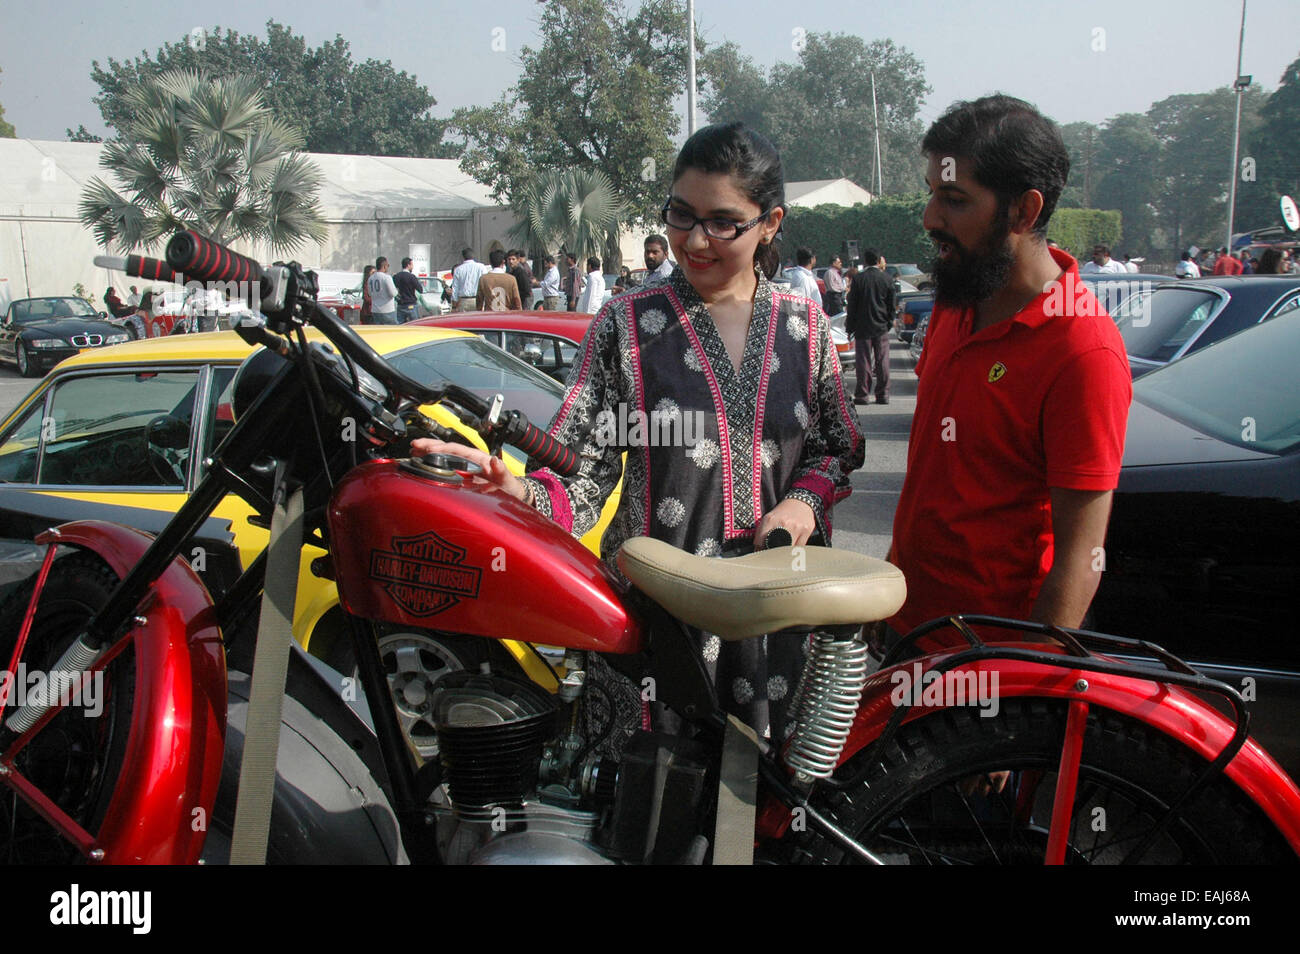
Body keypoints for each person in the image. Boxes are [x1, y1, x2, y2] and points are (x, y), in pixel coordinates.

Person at [413, 122, 863, 741]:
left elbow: (837, 446)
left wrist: (803, 498)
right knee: (651, 815)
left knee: (766, 813)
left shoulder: (805, 326)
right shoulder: (627, 325)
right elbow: (584, 468)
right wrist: (514, 491)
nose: (696, 240)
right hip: (657, 620)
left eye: (723, 222)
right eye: (682, 215)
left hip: (774, 615)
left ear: (772, 222)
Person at [887, 94, 1131, 646]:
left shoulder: (1083, 350)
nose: (930, 218)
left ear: (1023, 211)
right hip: (908, 631)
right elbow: (935, 478)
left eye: (953, 199)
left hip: (988, 665)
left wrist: (1020, 689)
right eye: (931, 195)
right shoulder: (956, 301)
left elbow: (1080, 558)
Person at [846, 248, 895, 404]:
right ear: (878, 260)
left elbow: (852, 305)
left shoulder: (859, 279)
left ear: (865, 261)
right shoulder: (886, 279)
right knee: (882, 361)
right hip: (881, 326)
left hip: (862, 326)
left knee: (864, 361)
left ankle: (862, 394)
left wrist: (850, 327)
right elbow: (891, 305)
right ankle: (883, 394)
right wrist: (889, 322)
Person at [367, 257, 399, 324]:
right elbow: (393, 293)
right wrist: (397, 290)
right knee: (392, 331)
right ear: (384, 266)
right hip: (387, 310)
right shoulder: (387, 277)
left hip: (375, 310)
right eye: (388, 265)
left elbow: (370, 293)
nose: (388, 267)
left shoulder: (370, 278)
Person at [392, 258, 422, 323]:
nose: (412, 267)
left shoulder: (396, 276)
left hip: (401, 305)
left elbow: (392, 289)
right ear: (408, 265)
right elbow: (420, 290)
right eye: (412, 265)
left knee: (400, 326)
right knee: (415, 325)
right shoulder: (412, 277)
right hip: (411, 305)